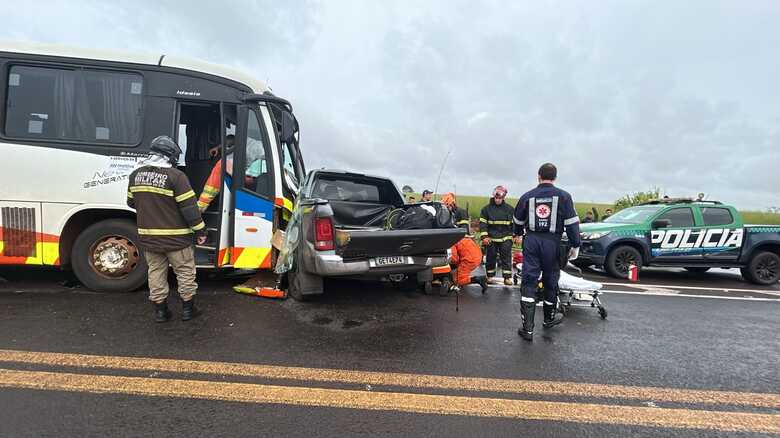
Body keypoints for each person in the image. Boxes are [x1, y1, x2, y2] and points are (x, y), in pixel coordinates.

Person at [127, 136, 207, 323]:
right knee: (185, 272)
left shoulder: (136, 175)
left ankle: (160, 312)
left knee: (155, 273)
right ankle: (188, 310)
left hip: (149, 240)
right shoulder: (176, 177)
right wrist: (201, 231)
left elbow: (131, 202)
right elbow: (190, 209)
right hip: (177, 239)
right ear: (170, 156)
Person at [513, 163, 581, 341]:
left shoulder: (527, 196)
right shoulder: (564, 196)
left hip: (532, 241)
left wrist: (518, 233)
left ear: (538, 176)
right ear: (555, 177)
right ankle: (549, 319)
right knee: (551, 279)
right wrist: (575, 244)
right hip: (553, 242)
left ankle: (527, 329)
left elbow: (518, 220)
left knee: (529, 280)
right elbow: (572, 223)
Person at [441, 193, 487, 293]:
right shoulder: (457, 235)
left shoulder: (452, 239)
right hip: (475, 253)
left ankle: (479, 279)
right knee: (455, 274)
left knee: (457, 279)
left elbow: (454, 258)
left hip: (470, 259)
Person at [479, 185, 515, 286]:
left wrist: (516, 236)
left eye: (500, 198)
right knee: (491, 257)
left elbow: (514, 224)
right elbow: (483, 224)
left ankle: (507, 278)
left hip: (506, 237)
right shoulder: (486, 209)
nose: (498, 200)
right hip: (491, 238)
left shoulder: (510, 209)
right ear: (493, 196)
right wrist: (484, 237)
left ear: (503, 198)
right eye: (496, 198)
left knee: (506, 257)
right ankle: (489, 276)